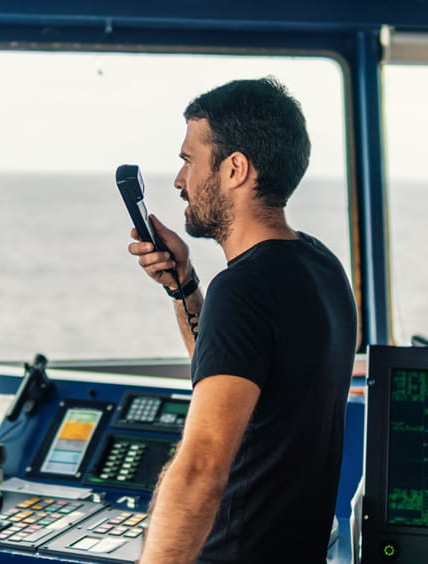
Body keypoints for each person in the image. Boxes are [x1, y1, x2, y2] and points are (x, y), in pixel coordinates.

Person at [129, 77, 357, 563]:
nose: (178, 180)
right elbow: (230, 375)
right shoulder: (320, 266)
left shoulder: (244, 289)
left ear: (235, 169)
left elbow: (202, 466)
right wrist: (184, 285)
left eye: (189, 160)